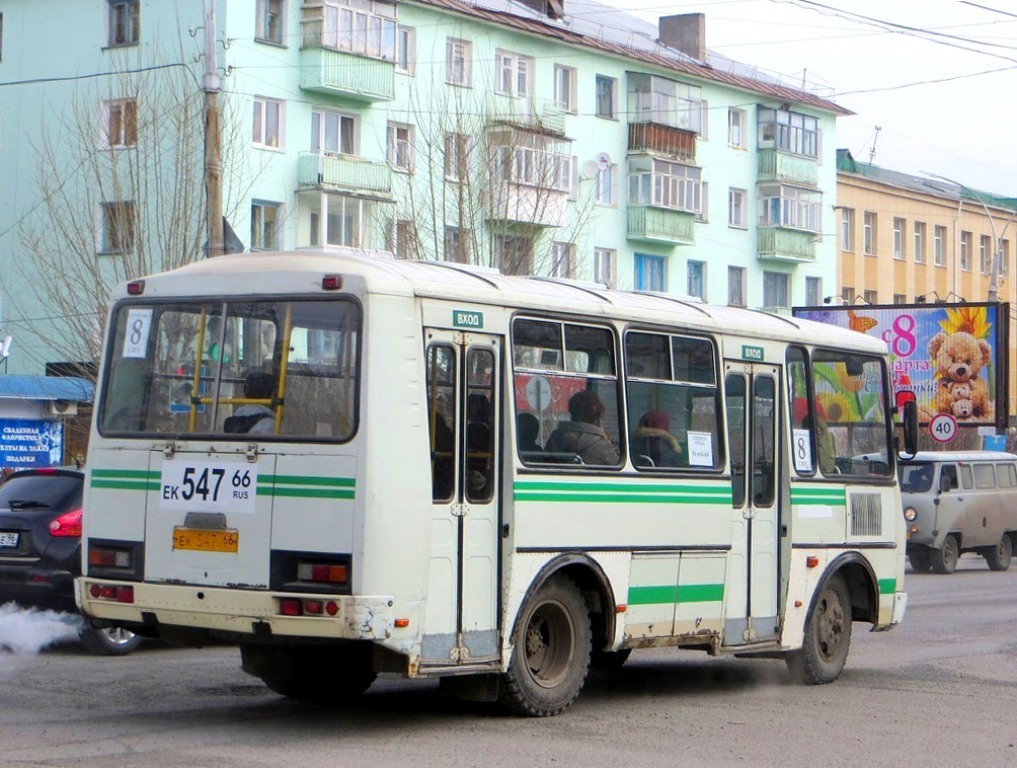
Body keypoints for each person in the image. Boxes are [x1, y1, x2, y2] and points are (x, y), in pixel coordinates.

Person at [545, 389, 620, 465]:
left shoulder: (555, 438)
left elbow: (544, 464)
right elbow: (619, 467)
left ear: (572, 412)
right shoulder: (603, 446)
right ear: (597, 418)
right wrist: (608, 441)